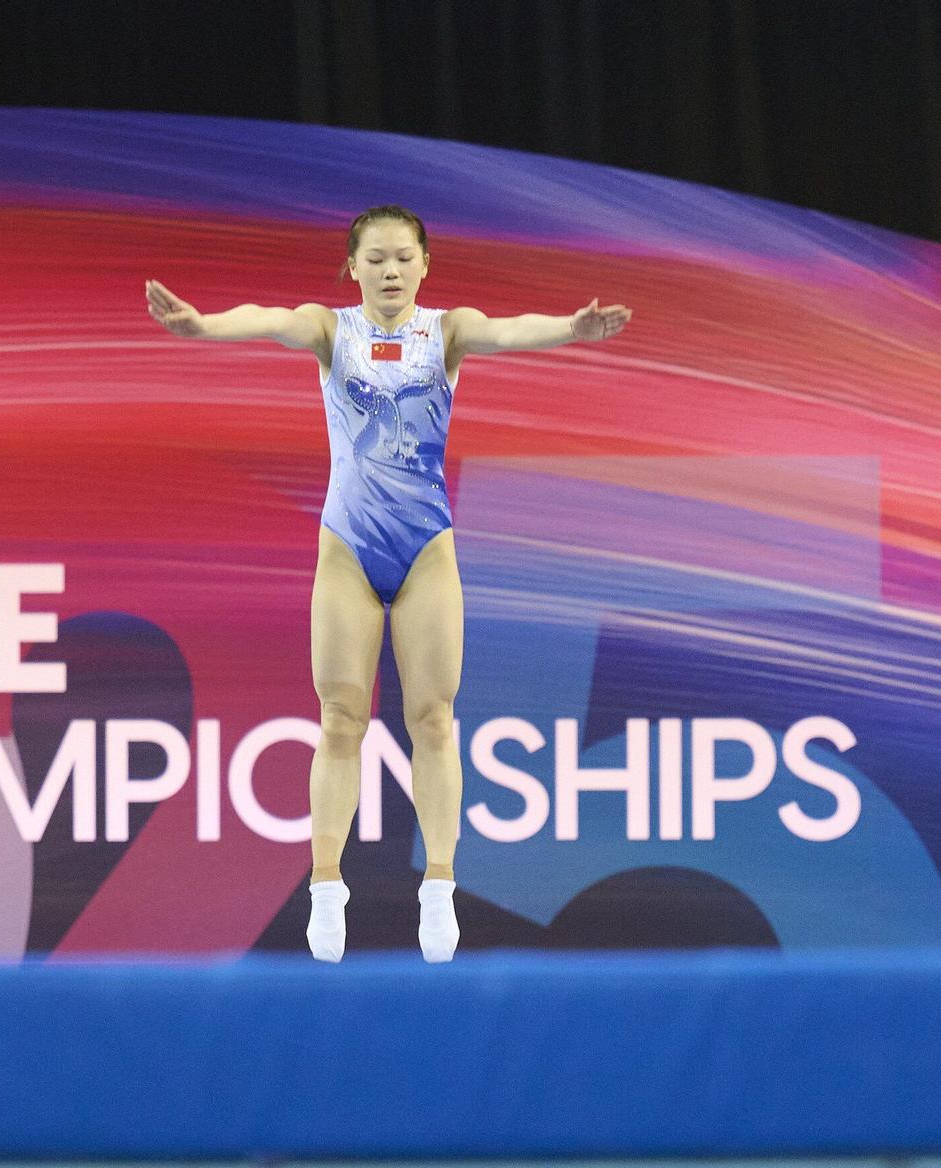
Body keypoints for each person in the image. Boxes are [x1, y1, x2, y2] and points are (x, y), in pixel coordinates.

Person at [145, 205, 631, 963]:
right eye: (374, 259)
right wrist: (203, 327)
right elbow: (268, 319)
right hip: (348, 548)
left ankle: (438, 886)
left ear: (426, 264)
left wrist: (573, 328)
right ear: (352, 267)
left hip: (425, 548)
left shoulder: (449, 331)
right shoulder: (328, 329)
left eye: (404, 257)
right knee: (341, 720)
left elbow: (510, 332)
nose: (391, 271)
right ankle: (326, 887)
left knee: (433, 720)